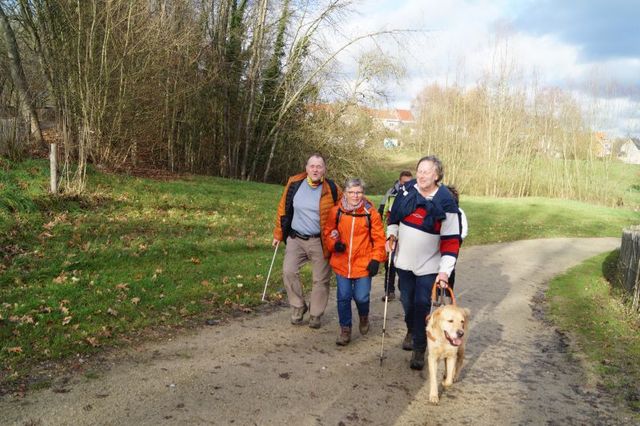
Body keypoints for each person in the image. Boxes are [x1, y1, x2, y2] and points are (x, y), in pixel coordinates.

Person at [385, 155, 461, 370]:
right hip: (404, 262)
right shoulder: (406, 192)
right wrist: (391, 236)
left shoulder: (446, 202)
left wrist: (445, 271)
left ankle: (419, 348)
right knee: (407, 302)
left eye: (427, 171)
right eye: (420, 170)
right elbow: (393, 220)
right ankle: (411, 329)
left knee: (421, 305)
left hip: (429, 266)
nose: (421, 174)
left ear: (437, 176)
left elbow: (451, 241)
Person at [272, 153, 341, 329]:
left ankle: (315, 314)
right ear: (306, 168)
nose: (315, 169)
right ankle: (298, 306)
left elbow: (345, 208)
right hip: (296, 238)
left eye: (319, 166)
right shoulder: (295, 183)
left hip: (320, 241)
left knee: (320, 279)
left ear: (324, 169)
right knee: (288, 271)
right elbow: (283, 208)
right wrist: (279, 234)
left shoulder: (332, 189)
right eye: (312, 166)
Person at [324, 178, 386, 346]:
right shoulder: (336, 211)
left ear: (363, 193)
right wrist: (334, 244)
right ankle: (345, 329)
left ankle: (363, 316)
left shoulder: (370, 213)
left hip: (363, 263)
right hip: (342, 262)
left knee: (361, 297)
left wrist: (376, 259)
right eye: (351, 192)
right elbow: (328, 232)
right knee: (343, 297)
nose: (355, 196)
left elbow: (380, 239)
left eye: (358, 192)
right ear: (345, 193)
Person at [378, 170, 413, 301]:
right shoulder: (391, 193)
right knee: (390, 264)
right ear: (399, 181)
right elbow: (382, 211)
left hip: (407, 235)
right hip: (391, 233)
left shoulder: (415, 194)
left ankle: (403, 290)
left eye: (409, 182)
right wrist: (383, 233)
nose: (406, 185)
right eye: (404, 183)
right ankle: (389, 291)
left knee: (404, 264)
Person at [445, 185, 468, 291]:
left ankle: (448, 294)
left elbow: (464, 229)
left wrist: (458, 240)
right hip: (440, 243)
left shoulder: (459, 212)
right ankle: (436, 293)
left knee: (450, 268)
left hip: (454, 243)